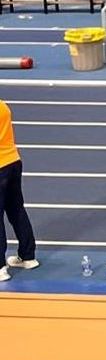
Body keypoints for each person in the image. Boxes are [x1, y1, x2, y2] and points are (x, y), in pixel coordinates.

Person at [0, 99, 38, 282]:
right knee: (16, 210)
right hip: (13, 161)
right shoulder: (3, 106)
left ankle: (0, 267)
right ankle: (28, 256)